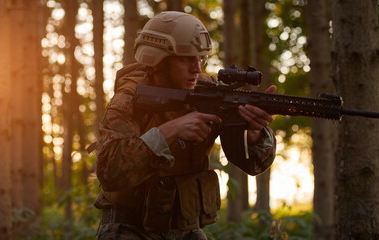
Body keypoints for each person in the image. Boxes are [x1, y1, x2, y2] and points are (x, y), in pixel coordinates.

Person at [94, 11, 277, 240]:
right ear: (159, 60)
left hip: (185, 228)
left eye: (200, 58)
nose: (197, 68)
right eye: (186, 58)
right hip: (130, 227)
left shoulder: (209, 92)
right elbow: (110, 172)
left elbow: (252, 165)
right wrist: (168, 131)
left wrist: (253, 133)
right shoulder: (129, 99)